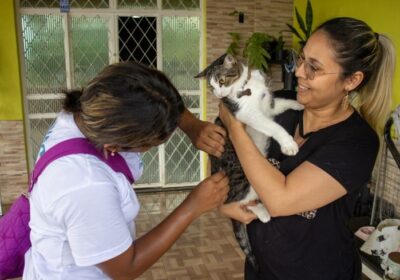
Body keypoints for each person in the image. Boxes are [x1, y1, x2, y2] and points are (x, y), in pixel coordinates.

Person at [218, 17, 396, 280]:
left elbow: (280, 199)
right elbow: (226, 150)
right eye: (301, 59)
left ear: (352, 80)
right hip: (261, 269)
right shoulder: (282, 104)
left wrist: (234, 126)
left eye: (314, 67)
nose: (299, 72)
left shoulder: (357, 142)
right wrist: (227, 203)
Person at [23, 61, 229, 279]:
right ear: (113, 147)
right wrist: (192, 207)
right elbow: (125, 267)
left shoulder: (90, 110)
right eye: (153, 144)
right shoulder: (86, 184)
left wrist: (192, 126)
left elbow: (161, 99)